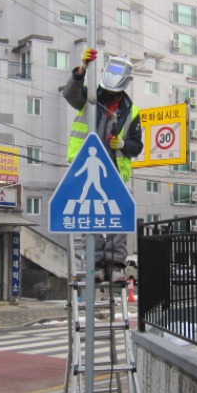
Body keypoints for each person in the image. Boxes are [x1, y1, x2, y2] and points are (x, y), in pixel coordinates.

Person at [63, 47, 143, 283]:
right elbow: (70, 94)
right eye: (107, 91)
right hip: (88, 167)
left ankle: (117, 266)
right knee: (94, 216)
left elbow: (137, 146)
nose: (109, 96)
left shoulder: (132, 111)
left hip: (115, 171)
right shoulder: (91, 100)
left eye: (113, 93)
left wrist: (122, 145)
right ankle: (96, 265)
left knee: (117, 219)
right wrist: (82, 69)